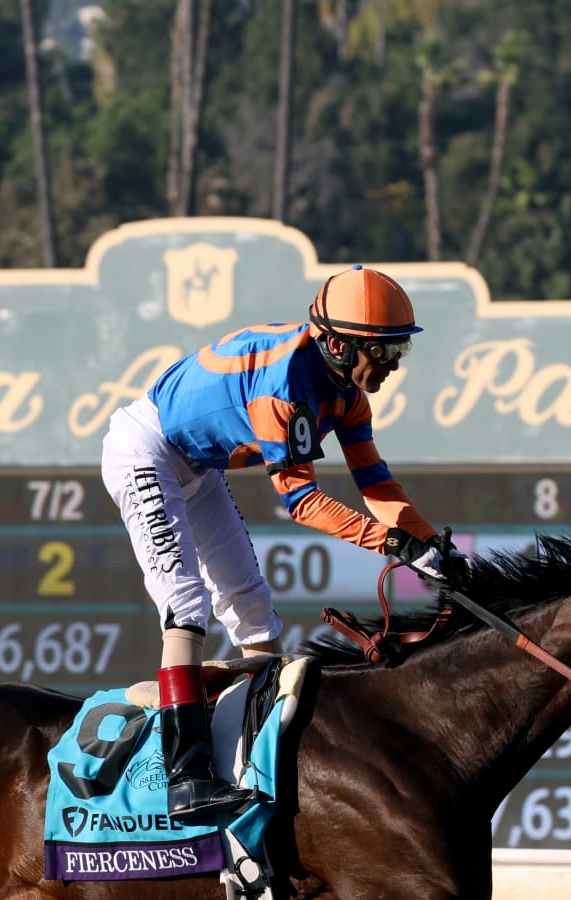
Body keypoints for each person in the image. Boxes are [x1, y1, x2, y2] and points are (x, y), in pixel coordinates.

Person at [102, 265, 469, 820]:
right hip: (145, 453)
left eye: (399, 352)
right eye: (385, 352)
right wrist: (394, 545)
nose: (393, 366)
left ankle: (261, 750)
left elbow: (377, 483)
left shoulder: (347, 391)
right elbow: (302, 502)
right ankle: (185, 776)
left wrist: (428, 545)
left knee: (253, 609)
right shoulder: (287, 387)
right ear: (339, 345)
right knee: (188, 607)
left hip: (195, 465)